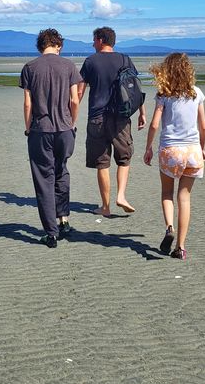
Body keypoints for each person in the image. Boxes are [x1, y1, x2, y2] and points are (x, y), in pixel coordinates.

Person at [20, 28, 82, 248]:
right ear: (59, 45)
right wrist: (72, 123)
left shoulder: (30, 68)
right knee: (61, 170)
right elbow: (75, 100)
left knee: (43, 179)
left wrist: (28, 128)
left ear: (40, 45)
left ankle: (51, 232)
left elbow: (28, 104)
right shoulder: (69, 66)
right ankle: (63, 218)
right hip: (65, 129)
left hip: (40, 130)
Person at [143, 53, 205, 260]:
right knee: (184, 197)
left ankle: (169, 226)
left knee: (167, 193)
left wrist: (148, 148)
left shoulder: (164, 94)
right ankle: (180, 247)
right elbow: (203, 126)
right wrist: (202, 148)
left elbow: (154, 124)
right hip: (193, 150)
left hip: (170, 149)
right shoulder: (196, 93)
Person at [78, 26, 146, 217]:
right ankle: (121, 196)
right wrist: (142, 113)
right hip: (122, 117)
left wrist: (71, 112)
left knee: (102, 162)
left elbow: (80, 92)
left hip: (97, 118)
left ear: (100, 40)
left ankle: (106, 206)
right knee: (124, 159)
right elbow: (136, 90)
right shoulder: (125, 59)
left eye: (94, 40)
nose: (92, 44)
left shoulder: (90, 61)